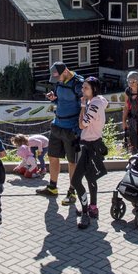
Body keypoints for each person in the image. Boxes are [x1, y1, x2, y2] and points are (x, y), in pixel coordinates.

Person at [36, 62, 83, 206]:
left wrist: (81, 126)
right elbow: (59, 97)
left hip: (72, 127)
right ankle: (52, 187)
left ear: (65, 71)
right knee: (52, 156)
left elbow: (84, 104)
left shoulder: (78, 83)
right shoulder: (59, 82)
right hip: (57, 124)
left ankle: (72, 192)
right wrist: (53, 97)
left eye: (58, 78)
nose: (57, 81)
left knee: (72, 161)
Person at [72, 77, 108, 228]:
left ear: (94, 89)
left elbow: (82, 124)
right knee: (90, 178)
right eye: (83, 87)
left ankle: (86, 213)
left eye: (86, 88)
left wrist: (82, 106)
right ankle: (93, 208)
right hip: (95, 144)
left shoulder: (92, 106)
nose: (83, 90)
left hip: (89, 146)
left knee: (76, 181)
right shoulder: (99, 101)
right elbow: (104, 102)